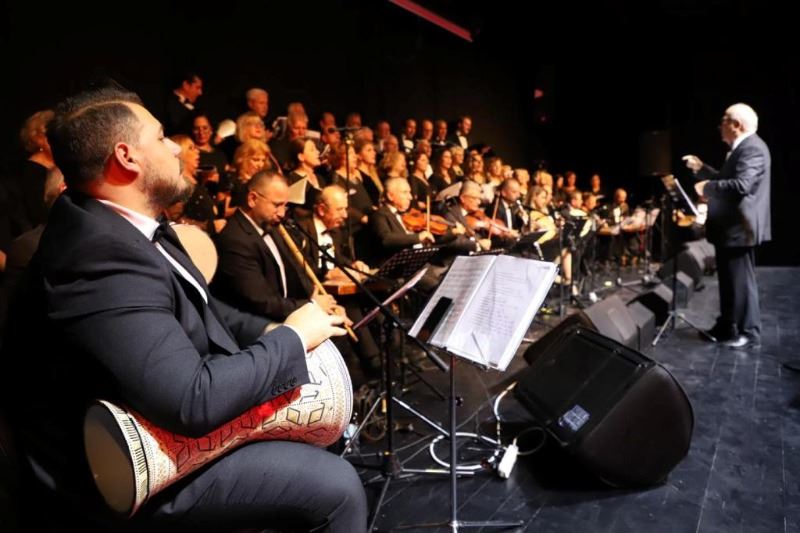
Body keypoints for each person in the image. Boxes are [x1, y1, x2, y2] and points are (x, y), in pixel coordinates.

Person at [1, 82, 367, 532]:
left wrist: (272, 330)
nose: (176, 147)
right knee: (337, 487)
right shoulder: (95, 256)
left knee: (321, 439)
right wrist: (293, 338)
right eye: (160, 138)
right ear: (126, 157)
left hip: (164, 424)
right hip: (123, 470)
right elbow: (191, 402)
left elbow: (207, 311)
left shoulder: (133, 222)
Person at [683, 102, 771, 349]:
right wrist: (702, 170)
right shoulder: (741, 148)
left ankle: (748, 332)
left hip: (740, 229)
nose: (719, 125)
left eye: (724, 120)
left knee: (741, 282)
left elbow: (741, 185)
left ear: (736, 125)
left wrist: (707, 188)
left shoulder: (752, 148)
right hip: (730, 228)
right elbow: (726, 179)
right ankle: (727, 326)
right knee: (730, 280)